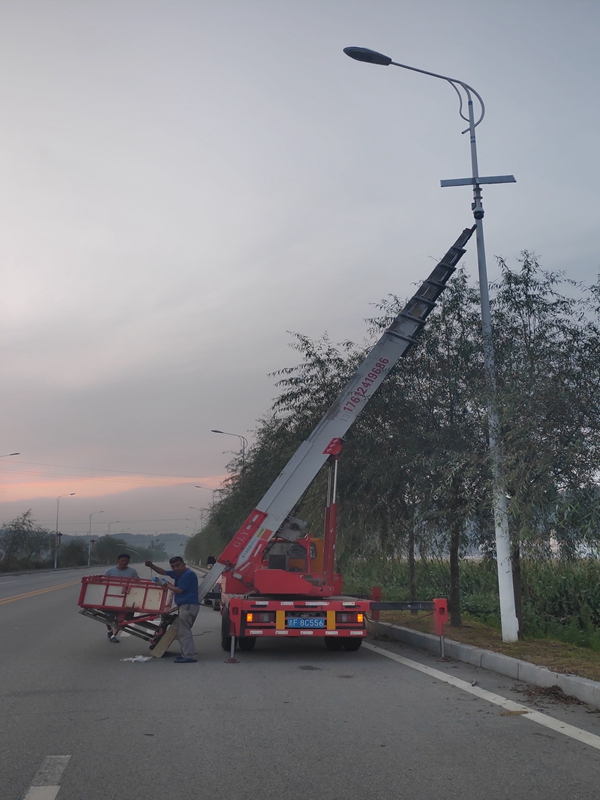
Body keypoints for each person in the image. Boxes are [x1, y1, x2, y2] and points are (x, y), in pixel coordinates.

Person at [145, 556, 199, 663]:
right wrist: (151, 565)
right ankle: (186, 654)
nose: (175, 568)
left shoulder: (188, 574)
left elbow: (179, 590)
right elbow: (163, 572)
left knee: (184, 631)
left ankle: (189, 655)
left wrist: (165, 584)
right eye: (173, 566)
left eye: (178, 565)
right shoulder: (179, 573)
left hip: (188, 605)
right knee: (182, 631)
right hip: (185, 605)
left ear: (184, 564)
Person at [104, 553, 139, 643]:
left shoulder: (132, 571)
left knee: (121, 617)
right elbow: (104, 582)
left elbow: (137, 583)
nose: (124, 563)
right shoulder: (109, 571)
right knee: (108, 616)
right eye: (122, 561)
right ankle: (109, 630)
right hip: (111, 596)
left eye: (126, 561)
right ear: (118, 561)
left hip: (126, 597)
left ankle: (113, 635)